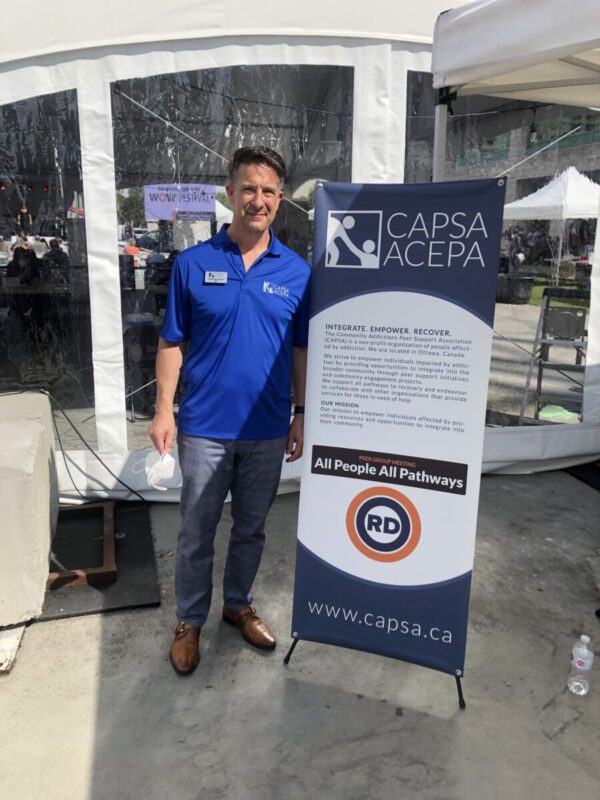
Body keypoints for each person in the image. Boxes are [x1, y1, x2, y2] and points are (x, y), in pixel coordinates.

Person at [149, 146, 310, 676]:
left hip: (266, 429)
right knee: (196, 529)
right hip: (203, 428)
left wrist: (301, 412)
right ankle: (190, 621)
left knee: (251, 527)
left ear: (280, 200)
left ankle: (236, 604)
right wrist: (163, 411)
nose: (257, 201)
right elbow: (173, 342)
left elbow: (299, 349)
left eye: (268, 191)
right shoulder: (193, 265)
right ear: (230, 194)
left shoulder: (296, 272)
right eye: (248, 189)